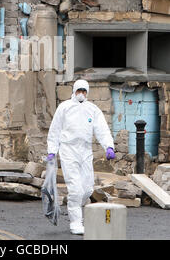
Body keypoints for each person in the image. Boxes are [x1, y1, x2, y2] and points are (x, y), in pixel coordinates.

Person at [47, 79, 115, 235]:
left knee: (88, 188)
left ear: (87, 92)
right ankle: (76, 223)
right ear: (74, 91)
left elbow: (102, 130)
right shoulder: (64, 108)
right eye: (79, 91)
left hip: (85, 151)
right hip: (68, 151)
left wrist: (108, 146)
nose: (81, 94)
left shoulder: (92, 109)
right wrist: (52, 150)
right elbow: (55, 130)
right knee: (75, 190)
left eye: (84, 91)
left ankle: (76, 207)